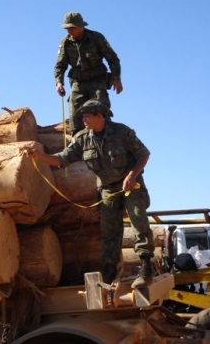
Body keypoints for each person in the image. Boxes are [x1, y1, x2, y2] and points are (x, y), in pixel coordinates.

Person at [24, 100, 154, 288]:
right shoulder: (83, 138)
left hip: (130, 185)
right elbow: (62, 159)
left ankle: (146, 268)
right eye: (82, 116)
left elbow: (144, 154)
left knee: (138, 220)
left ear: (99, 116)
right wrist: (39, 156)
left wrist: (132, 176)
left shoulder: (122, 132)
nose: (83, 120)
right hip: (108, 189)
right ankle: (109, 272)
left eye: (87, 116)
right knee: (109, 230)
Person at [54, 12, 123, 136]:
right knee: (75, 113)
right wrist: (59, 82)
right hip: (78, 81)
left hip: (97, 80)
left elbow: (112, 59)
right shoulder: (65, 43)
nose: (69, 30)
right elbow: (60, 65)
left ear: (81, 26)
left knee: (99, 109)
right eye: (67, 28)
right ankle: (78, 145)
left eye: (72, 27)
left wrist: (116, 79)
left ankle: (105, 140)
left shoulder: (96, 38)